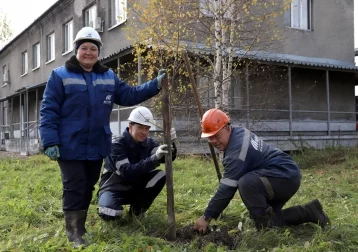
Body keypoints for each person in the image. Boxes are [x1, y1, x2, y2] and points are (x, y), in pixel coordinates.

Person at [39, 27, 166, 248]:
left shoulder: (108, 76)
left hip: (97, 143)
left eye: (93, 49)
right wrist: (50, 140)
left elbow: (129, 95)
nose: (89, 52)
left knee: (88, 185)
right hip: (70, 144)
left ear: (99, 52)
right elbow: (49, 110)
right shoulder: (60, 75)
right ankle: (74, 232)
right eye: (84, 48)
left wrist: (154, 85)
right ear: (76, 50)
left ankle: (81, 227)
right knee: (74, 186)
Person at [193, 108, 330, 232]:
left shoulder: (237, 152)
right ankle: (309, 212)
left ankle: (307, 212)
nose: (213, 141)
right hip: (280, 173)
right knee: (272, 217)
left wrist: (206, 217)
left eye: (216, 135)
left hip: (283, 175)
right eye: (209, 137)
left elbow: (227, 189)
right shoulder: (238, 131)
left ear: (227, 127)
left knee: (247, 185)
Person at [97, 106, 177, 220]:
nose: (144, 132)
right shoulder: (116, 145)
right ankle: (108, 204)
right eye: (140, 127)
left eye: (146, 128)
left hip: (135, 187)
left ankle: (136, 212)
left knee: (160, 175)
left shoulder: (148, 143)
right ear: (130, 126)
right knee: (110, 212)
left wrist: (171, 144)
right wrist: (154, 158)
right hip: (114, 188)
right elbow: (127, 172)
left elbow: (165, 157)